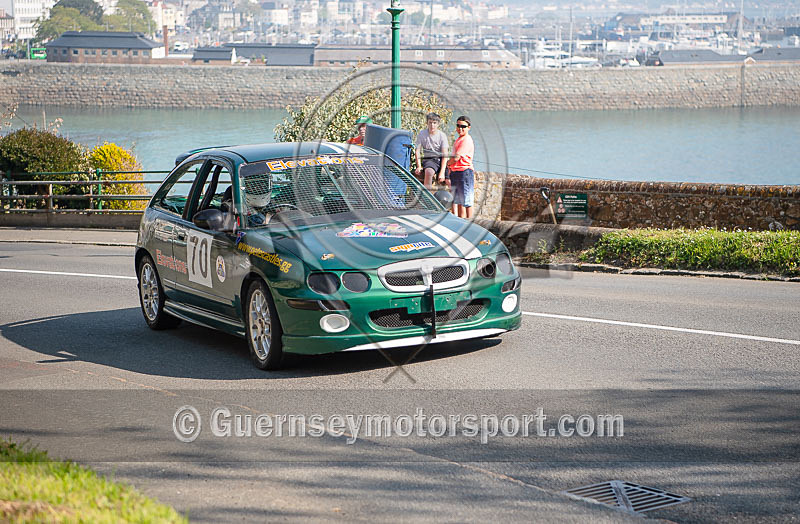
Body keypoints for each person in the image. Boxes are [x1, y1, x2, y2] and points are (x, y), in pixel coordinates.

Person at [447, 115, 475, 219]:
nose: (460, 128)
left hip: (464, 172)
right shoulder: (459, 139)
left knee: (467, 200)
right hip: (456, 172)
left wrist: (447, 164)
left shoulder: (466, 140)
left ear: (469, 127)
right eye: (458, 126)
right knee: (458, 200)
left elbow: (456, 157)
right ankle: (461, 220)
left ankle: (470, 221)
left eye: (463, 126)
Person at [414, 112, 449, 189]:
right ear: (427, 123)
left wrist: (442, 172)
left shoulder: (442, 136)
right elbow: (417, 151)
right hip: (429, 159)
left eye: (434, 123)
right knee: (429, 172)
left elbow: (445, 155)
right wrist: (419, 166)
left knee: (448, 180)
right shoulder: (422, 134)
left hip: (441, 159)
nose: (432, 125)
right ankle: (427, 197)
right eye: (430, 123)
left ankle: (453, 199)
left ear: (438, 124)